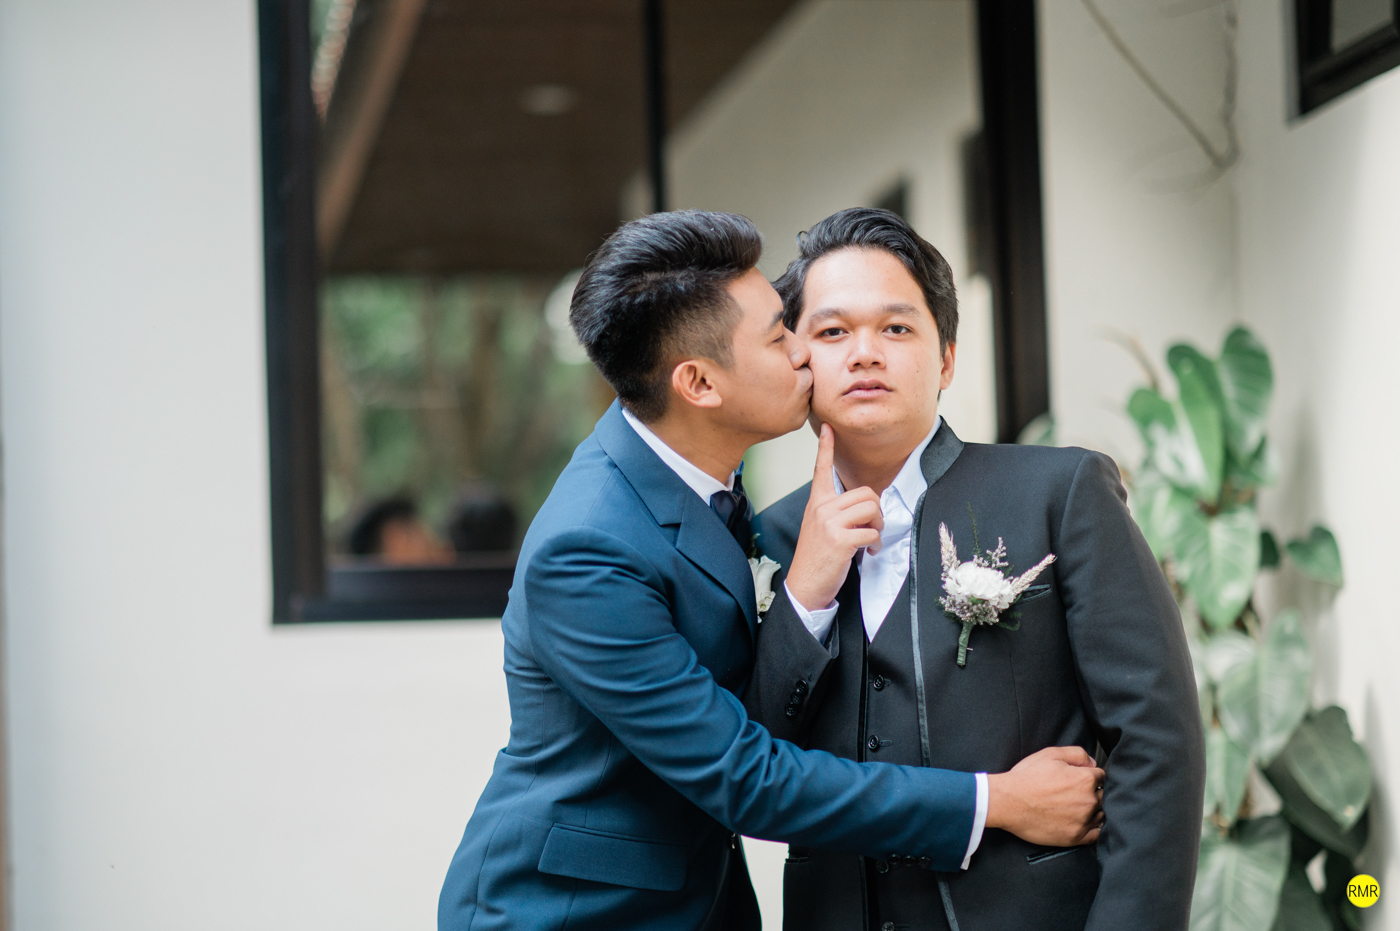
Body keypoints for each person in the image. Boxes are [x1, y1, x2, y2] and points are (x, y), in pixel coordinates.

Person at [438, 210, 1105, 931]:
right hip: (577, 910)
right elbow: (744, 775)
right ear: (699, 383)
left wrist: (805, 587)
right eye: (781, 336)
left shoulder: (704, 478)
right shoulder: (588, 549)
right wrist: (995, 800)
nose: (804, 354)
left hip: (699, 900)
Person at [744, 207, 1205, 931]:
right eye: (832, 332)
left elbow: (1155, 741)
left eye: (897, 329)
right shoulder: (765, 539)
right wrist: (805, 594)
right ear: (797, 362)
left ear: (947, 359)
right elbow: (748, 766)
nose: (864, 353)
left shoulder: (1059, 493)